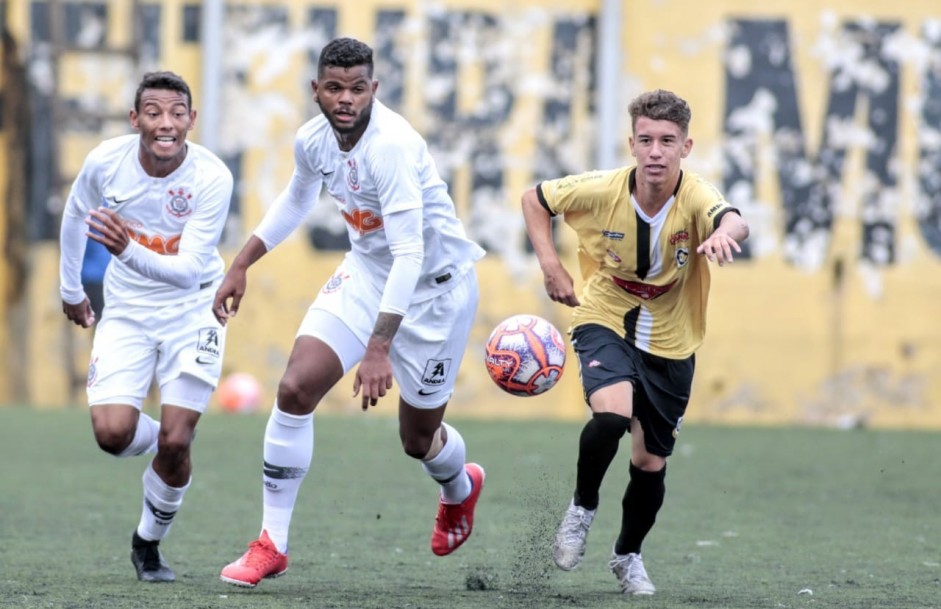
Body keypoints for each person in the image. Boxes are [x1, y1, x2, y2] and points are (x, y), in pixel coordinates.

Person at [215, 37, 487, 588]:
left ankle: (460, 485)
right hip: (367, 274)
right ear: (316, 90)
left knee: (417, 442)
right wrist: (241, 263)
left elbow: (411, 253)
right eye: (334, 88)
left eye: (357, 88)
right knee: (294, 389)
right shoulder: (313, 139)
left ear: (374, 90)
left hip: (435, 293)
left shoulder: (390, 146)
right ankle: (271, 544)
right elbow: (296, 198)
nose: (345, 99)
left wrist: (378, 346)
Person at [521, 89, 749, 596]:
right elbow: (535, 199)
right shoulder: (602, 189)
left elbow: (733, 217)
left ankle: (627, 556)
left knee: (649, 462)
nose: (655, 151)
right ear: (631, 143)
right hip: (605, 312)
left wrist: (723, 235)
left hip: (673, 335)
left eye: (667, 141)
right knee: (611, 414)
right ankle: (581, 508)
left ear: (685, 147)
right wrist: (551, 265)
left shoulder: (695, 195)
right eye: (646, 140)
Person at [59, 71, 234, 583]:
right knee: (112, 435)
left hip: (195, 308)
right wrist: (71, 290)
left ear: (191, 121)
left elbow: (184, 273)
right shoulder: (105, 163)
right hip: (129, 311)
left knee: (177, 442)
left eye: (177, 113)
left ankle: (147, 544)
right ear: (135, 118)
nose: (166, 124)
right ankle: (169, 441)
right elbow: (74, 215)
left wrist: (125, 248)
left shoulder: (212, 177)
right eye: (154, 112)